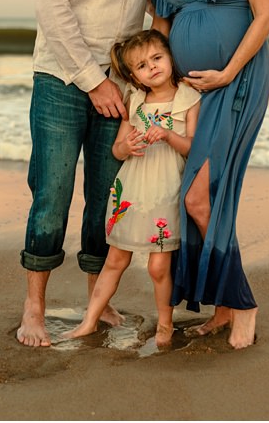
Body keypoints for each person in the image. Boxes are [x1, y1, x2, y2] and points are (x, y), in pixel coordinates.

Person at [17, 0, 168, 348]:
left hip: (121, 86)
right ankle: (33, 308)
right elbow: (52, 7)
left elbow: (154, 3)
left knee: (106, 198)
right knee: (52, 193)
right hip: (62, 77)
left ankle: (95, 304)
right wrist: (92, 80)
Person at [148, 0, 269, 350]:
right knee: (206, 195)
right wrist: (154, 86)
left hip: (238, 81)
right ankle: (224, 308)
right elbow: (161, 25)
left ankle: (242, 304)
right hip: (189, 92)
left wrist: (227, 72)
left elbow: (265, 17)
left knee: (200, 196)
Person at [63, 29, 200, 348]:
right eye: (141, 65)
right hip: (131, 188)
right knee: (115, 260)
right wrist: (128, 145)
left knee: (157, 265)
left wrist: (167, 135)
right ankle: (89, 320)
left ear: (169, 57)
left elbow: (193, 148)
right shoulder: (135, 99)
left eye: (157, 58)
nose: (152, 67)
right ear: (132, 74)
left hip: (165, 190)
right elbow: (117, 149)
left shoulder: (187, 98)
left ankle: (165, 324)